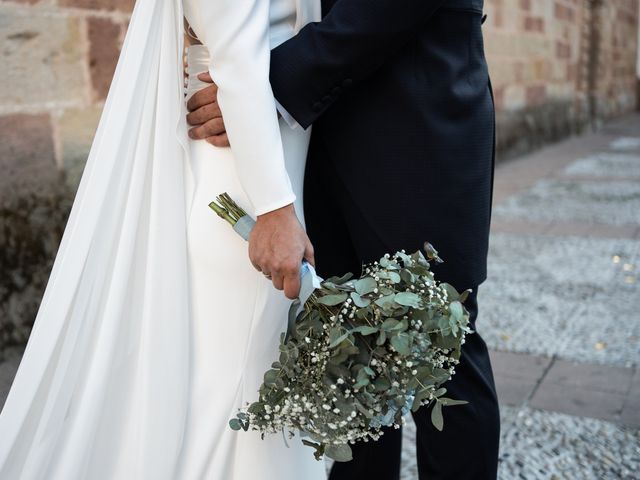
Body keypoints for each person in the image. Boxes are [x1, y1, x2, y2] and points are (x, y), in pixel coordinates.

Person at [0, 0, 326, 478]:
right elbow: (237, 64)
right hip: (243, 188)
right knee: (239, 388)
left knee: (244, 383)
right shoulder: (265, 202)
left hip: (268, 177)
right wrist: (275, 210)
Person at [186, 0, 501, 478]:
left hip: (415, 129)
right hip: (318, 138)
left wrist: (262, 86)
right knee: (348, 351)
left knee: (441, 351)